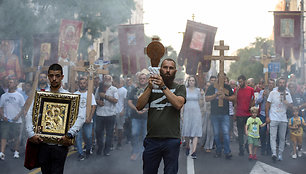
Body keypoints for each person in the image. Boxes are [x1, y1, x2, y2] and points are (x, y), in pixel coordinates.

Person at [25, 63, 85, 174]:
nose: (54, 79)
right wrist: (31, 134)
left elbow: (81, 117)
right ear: (48, 76)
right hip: (43, 143)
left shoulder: (69, 97)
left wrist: (70, 134)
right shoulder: (42, 95)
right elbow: (29, 113)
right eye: (51, 76)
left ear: (62, 77)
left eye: (57, 76)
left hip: (60, 144)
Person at [136, 58, 186, 174]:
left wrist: (163, 87)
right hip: (152, 139)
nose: (168, 70)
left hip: (172, 139)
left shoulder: (179, 88)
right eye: (165, 67)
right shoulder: (151, 87)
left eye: (171, 68)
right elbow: (139, 106)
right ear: (160, 70)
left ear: (175, 71)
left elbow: (178, 104)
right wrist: (149, 87)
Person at [205, 74, 235, 159]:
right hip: (214, 113)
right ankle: (218, 150)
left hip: (225, 113)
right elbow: (206, 98)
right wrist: (215, 95)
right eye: (220, 77)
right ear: (218, 78)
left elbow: (233, 97)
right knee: (216, 133)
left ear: (225, 78)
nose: (222, 79)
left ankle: (227, 151)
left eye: (224, 77)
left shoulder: (227, 87)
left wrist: (225, 97)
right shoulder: (212, 87)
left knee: (226, 133)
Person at [266, 77, 293, 162]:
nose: (282, 84)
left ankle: (280, 154)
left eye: (283, 83)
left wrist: (286, 103)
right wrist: (267, 116)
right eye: (280, 83)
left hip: (283, 119)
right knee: (272, 136)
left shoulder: (288, 94)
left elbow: (292, 107)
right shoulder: (272, 93)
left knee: (282, 138)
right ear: (278, 84)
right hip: (273, 118)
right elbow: (267, 104)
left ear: (285, 84)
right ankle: (274, 153)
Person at [0, 77, 25, 160]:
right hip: (6, 120)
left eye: (11, 82)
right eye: (8, 82)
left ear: (15, 84)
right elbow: (1, 108)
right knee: (4, 136)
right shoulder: (3, 96)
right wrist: (3, 117)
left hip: (16, 120)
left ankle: (16, 152)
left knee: (16, 137)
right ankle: (2, 153)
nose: (9, 84)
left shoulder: (19, 96)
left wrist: (17, 116)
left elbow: (23, 108)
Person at [95, 75, 118, 156]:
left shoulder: (114, 89)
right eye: (106, 78)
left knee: (109, 133)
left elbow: (115, 100)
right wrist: (99, 102)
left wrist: (105, 96)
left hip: (110, 114)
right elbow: (95, 99)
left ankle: (106, 150)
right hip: (100, 114)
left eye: (109, 79)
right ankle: (100, 146)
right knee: (98, 132)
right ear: (103, 80)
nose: (107, 80)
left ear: (111, 81)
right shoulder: (99, 88)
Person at [74, 77, 96, 160]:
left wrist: (90, 117)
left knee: (89, 136)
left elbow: (93, 106)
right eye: (81, 83)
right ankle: (80, 153)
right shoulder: (75, 94)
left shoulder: (90, 94)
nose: (82, 84)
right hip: (78, 120)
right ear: (78, 84)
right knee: (78, 137)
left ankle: (88, 148)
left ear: (86, 84)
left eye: (84, 83)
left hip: (88, 119)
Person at [128, 73, 148, 160]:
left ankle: (143, 151)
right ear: (138, 80)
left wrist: (146, 109)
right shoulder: (134, 90)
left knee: (145, 135)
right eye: (141, 78)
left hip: (146, 117)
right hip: (135, 116)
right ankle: (135, 151)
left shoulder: (149, 90)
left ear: (146, 80)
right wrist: (136, 109)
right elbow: (129, 101)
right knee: (134, 133)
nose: (142, 80)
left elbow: (154, 102)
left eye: (144, 78)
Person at [182, 76, 203, 159]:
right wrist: (181, 113)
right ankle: (187, 146)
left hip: (196, 112)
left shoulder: (198, 91)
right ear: (188, 82)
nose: (191, 82)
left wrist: (202, 95)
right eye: (190, 80)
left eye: (193, 80)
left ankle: (194, 151)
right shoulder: (185, 90)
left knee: (195, 131)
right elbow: (183, 102)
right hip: (187, 111)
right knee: (187, 130)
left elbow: (201, 103)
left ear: (195, 82)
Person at [234, 75, 255, 156]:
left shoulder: (250, 89)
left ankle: (247, 144)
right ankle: (241, 148)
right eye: (239, 82)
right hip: (239, 113)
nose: (240, 83)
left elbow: (253, 99)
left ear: (245, 81)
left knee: (249, 131)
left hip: (248, 113)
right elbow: (234, 102)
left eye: (241, 81)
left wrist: (251, 107)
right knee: (240, 132)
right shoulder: (236, 89)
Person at [255, 78, 275, 156]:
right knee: (262, 131)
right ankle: (263, 147)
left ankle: (269, 148)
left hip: (272, 114)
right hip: (263, 114)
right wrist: (263, 96)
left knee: (271, 132)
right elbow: (257, 101)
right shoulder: (262, 91)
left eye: (272, 83)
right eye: (269, 83)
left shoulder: (275, 92)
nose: (270, 85)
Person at [113, 76, 127, 150]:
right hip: (112, 111)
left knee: (120, 127)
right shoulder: (113, 89)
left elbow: (125, 101)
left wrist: (123, 110)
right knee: (113, 127)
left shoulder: (124, 90)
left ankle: (119, 143)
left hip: (120, 111)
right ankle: (112, 143)